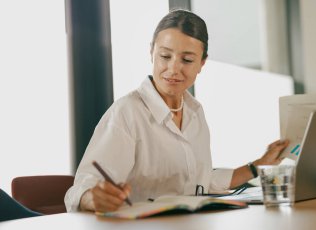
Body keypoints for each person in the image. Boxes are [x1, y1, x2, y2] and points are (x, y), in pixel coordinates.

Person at [64, 9, 288, 213]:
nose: (173, 69)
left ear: (202, 63)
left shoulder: (194, 112)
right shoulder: (127, 113)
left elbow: (201, 181)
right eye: (165, 56)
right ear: (151, 52)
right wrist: (92, 198)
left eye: (187, 60)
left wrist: (258, 165)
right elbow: (79, 189)